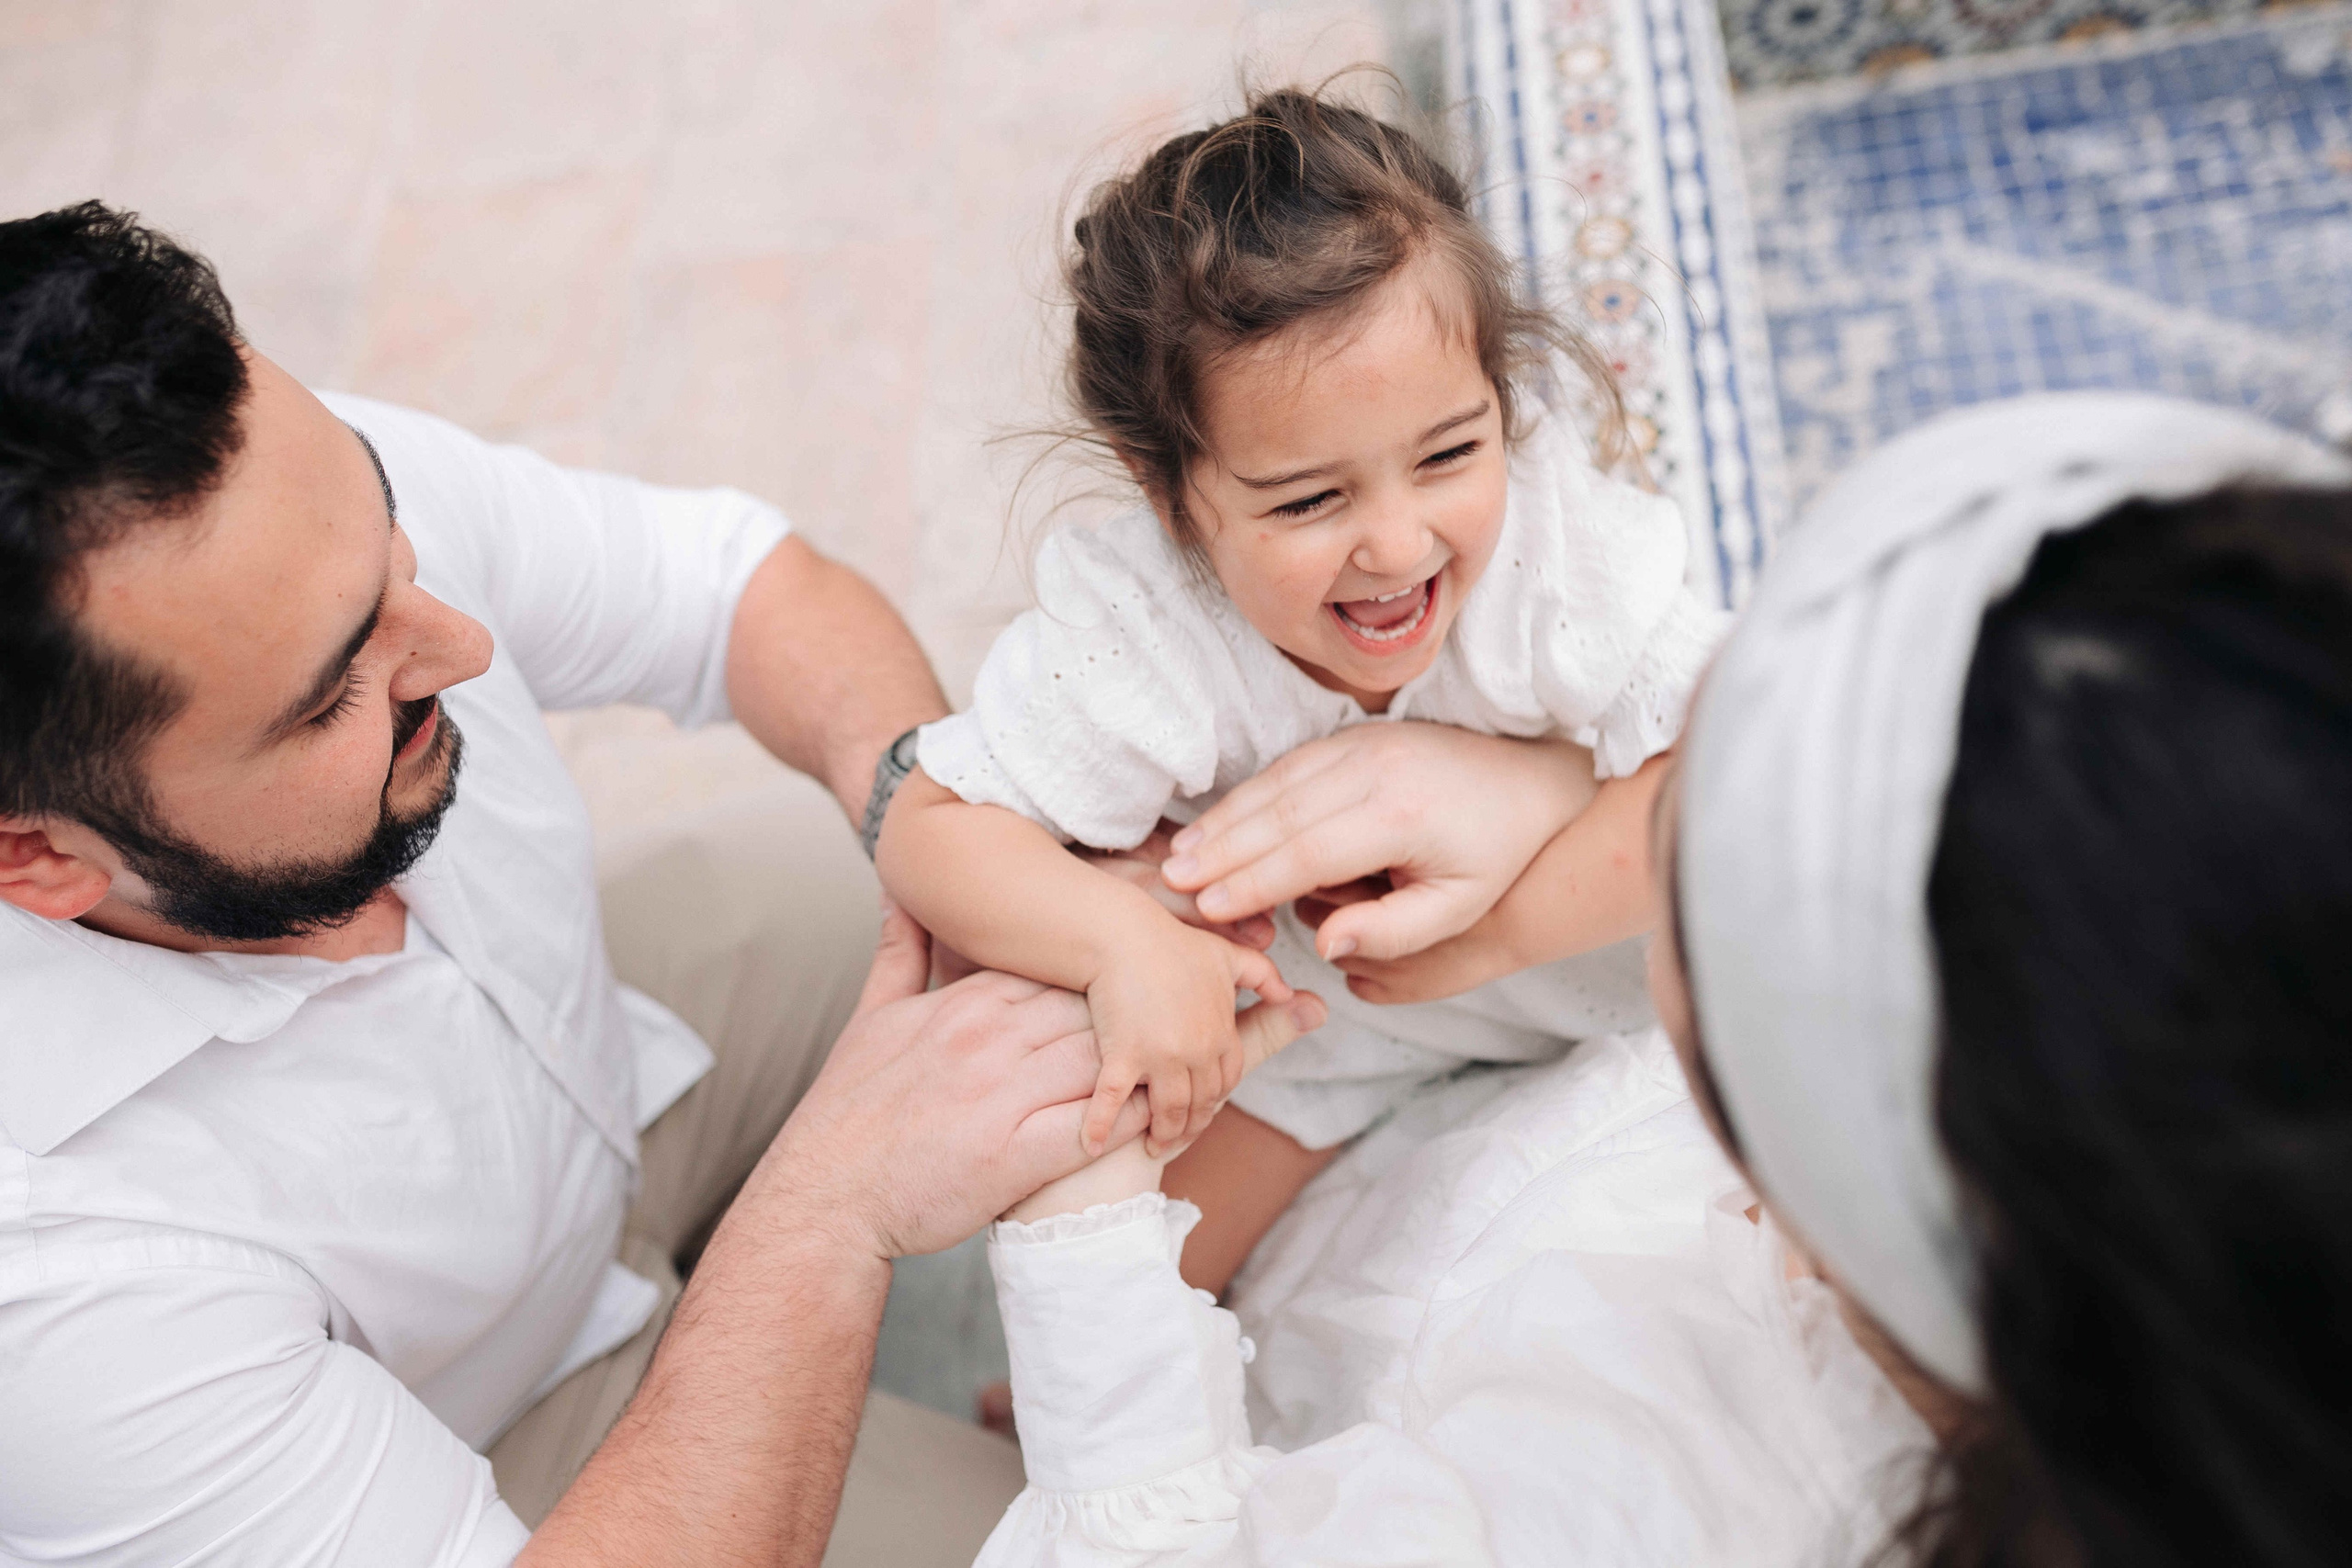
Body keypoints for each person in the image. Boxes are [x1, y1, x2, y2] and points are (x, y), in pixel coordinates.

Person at [0, 202, 1318, 1565]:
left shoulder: (269, 505)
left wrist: (946, 835)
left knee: (1109, 843)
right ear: (37, 856)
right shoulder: (54, 1297)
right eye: (338, 693)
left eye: (398, 551)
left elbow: (738, 589)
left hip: (618, 1043)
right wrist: (830, 1206)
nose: (460, 643)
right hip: (501, 1448)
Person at [957, 391, 2352, 1565]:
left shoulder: (1648, 1509)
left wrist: (1084, 1204)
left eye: (1690, 830)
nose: (1689, 754)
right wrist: (1541, 795)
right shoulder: (2044, 1195)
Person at [876, 87, 1727, 1292]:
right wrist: (1126, 947)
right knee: (1126, 1297)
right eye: (1308, 501)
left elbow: (1738, 767)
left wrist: (1496, 937)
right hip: (1336, 1034)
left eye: (1448, 454)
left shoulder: (1551, 551)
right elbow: (931, 825)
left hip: (1607, 975)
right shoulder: (1151, 629)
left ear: (1500, 400)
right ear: (1169, 489)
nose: (1397, 544)